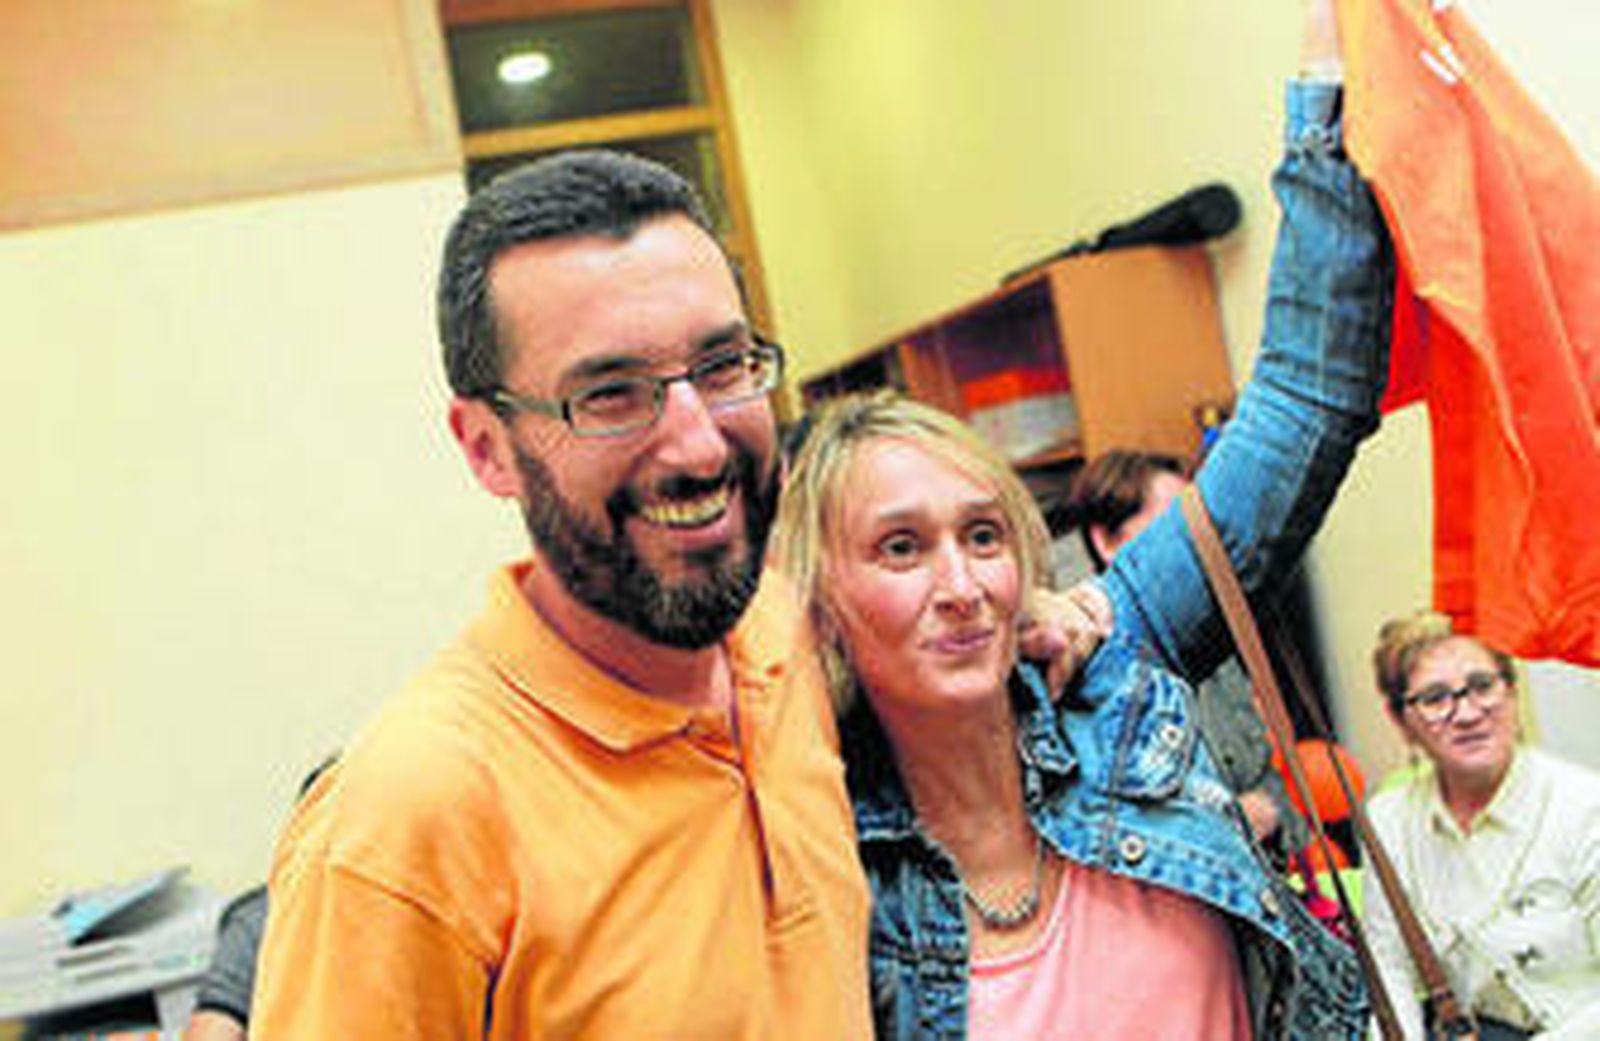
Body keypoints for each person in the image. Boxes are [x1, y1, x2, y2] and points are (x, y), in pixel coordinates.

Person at [249, 137, 1094, 1038]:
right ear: (487, 447)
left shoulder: (781, 636)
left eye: (723, 367)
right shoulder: (408, 819)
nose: (697, 444)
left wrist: (1026, 609)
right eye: (610, 394)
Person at [769, 14, 1392, 1040]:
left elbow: (1302, 398)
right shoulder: (817, 871)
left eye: (982, 535)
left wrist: (1327, 101)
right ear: (820, 603)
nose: (962, 584)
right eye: (898, 547)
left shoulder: (1112, 669)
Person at [1363, 611, 1600, 1040]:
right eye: (1436, 698)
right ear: (1400, 719)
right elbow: (1390, 971)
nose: (1468, 713)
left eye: (1483, 686)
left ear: (1511, 691)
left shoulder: (1584, 806)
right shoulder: (1388, 821)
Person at [1065, 448, 1308, 855]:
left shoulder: (1219, 641)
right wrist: (1221, 828)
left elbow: (1274, 790)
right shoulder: (1079, 672)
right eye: (1177, 528)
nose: (1200, 543)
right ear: (1106, 541)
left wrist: (1271, 813)